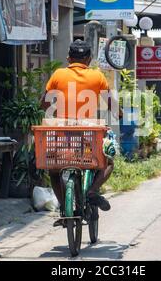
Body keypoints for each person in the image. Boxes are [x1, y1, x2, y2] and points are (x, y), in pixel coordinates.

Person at [43, 39, 118, 227]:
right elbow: (111, 104)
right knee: (106, 163)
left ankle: (64, 209)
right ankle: (92, 191)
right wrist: (121, 113)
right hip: (87, 134)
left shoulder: (58, 74)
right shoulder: (97, 76)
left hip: (60, 134)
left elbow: (44, 103)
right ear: (89, 58)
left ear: (69, 58)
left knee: (53, 170)